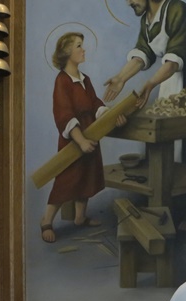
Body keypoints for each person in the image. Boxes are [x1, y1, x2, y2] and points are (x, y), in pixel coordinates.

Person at [103, 0, 186, 164]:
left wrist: (151, 83)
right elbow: (143, 54)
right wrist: (120, 78)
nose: (129, 2)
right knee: (167, 139)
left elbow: (173, 62)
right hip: (168, 78)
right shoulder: (147, 19)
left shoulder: (178, 10)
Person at [39, 33, 124, 244]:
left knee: (87, 174)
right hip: (73, 139)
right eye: (79, 46)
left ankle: (79, 217)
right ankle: (46, 221)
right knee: (67, 178)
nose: (83, 50)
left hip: (90, 132)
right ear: (67, 52)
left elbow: (95, 103)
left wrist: (111, 116)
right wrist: (81, 140)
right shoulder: (62, 81)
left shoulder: (85, 79)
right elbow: (64, 114)